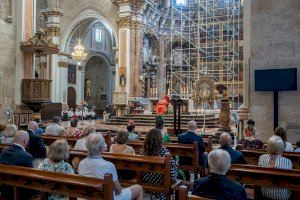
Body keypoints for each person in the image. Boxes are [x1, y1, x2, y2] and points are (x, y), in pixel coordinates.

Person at [78, 133, 143, 200]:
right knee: (139, 188)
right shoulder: (109, 166)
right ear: (102, 148)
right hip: (106, 197)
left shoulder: (81, 163)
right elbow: (118, 191)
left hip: (87, 197)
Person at [139, 128, 177, 199]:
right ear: (160, 139)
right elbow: (172, 174)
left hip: (146, 180)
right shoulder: (165, 152)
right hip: (162, 183)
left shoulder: (142, 152)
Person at [0, 130, 35, 199]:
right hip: (20, 191)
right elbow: (31, 177)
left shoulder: (4, 151)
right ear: (25, 141)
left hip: (4, 188)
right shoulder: (27, 156)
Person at [258, 135, 292, 200]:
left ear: (268, 147)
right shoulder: (287, 161)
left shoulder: (262, 158)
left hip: (265, 193)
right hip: (282, 196)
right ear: (281, 148)